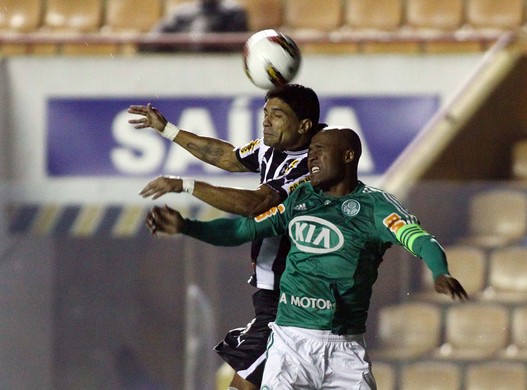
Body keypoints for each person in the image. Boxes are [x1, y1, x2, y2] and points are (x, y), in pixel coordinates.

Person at [145, 126, 469, 389]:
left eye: (319, 152)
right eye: (310, 151)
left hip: (345, 349)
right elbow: (240, 231)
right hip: (291, 343)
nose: (311, 158)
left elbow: (421, 240)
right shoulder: (300, 198)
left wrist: (439, 272)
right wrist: (188, 226)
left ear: (348, 156)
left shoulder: (376, 207)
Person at [128, 84, 325, 390]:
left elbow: (254, 204)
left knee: (243, 384)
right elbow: (226, 156)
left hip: (291, 298)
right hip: (273, 296)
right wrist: (166, 129)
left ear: (304, 125)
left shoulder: (309, 168)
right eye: (265, 113)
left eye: (277, 114)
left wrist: (186, 186)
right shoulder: (271, 149)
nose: (267, 121)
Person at [141, 0, 248, 52]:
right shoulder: (181, 14)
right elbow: (153, 41)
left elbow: (236, 48)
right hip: (182, 69)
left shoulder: (233, 13)